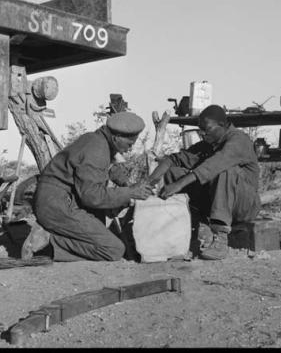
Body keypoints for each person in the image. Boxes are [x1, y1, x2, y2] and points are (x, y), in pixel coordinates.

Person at [21, 112, 153, 262]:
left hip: (58, 200)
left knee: (101, 232)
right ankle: (48, 242)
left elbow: (109, 169)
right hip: (57, 205)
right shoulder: (96, 149)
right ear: (116, 138)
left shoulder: (98, 140)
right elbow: (92, 196)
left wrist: (127, 185)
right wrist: (129, 193)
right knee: (113, 249)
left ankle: (54, 233)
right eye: (130, 144)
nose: (130, 149)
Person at [148, 104, 261, 260]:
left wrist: (178, 185)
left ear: (222, 125)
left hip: (244, 206)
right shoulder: (209, 144)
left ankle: (220, 238)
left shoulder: (238, 140)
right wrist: (149, 182)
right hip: (219, 203)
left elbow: (213, 165)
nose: (202, 134)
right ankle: (196, 225)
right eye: (200, 130)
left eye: (206, 129)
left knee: (224, 170)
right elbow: (173, 159)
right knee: (174, 172)